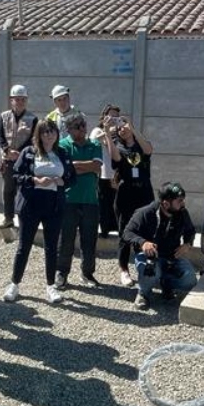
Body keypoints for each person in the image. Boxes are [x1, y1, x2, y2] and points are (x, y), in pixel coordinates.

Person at [4, 119, 74, 304]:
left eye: (52, 131)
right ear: (39, 134)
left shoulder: (63, 153)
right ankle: (14, 284)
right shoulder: (29, 152)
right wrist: (35, 180)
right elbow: (16, 175)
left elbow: (71, 177)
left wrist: (62, 182)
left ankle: (51, 287)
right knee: (23, 246)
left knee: (52, 247)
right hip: (31, 205)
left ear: (57, 134)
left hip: (54, 206)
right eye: (45, 132)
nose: (49, 135)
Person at [122, 182, 200, 310]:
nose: (183, 203)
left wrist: (187, 244)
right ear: (165, 203)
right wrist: (143, 242)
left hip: (172, 256)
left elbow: (190, 231)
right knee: (151, 271)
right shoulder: (145, 213)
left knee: (190, 280)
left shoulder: (182, 213)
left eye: (183, 200)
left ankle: (166, 283)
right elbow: (127, 233)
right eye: (179, 201)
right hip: (150, 256)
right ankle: (143, 293)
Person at [55, 111, 111, 288]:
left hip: (90, 201)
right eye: (78, 126)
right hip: (68, 199)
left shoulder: (94, 143)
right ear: (69, 129)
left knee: (89, 240)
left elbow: (96, 166)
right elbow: (64, 170)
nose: (82, 129)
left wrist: (74, 165)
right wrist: (79, 166)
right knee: (66, 239)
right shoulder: (63, 145)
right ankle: (61, 273)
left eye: (84, 125)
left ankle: (87, 274)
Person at [111, 114, 155, 286]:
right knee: (125, 232)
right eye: (119, 128)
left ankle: (145, 265)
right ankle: (123, 269)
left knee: (146, 229)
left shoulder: (140, 145)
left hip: (144, 192)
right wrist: (108, 132)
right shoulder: (118, 147)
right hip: (126, 193)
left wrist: (133, 128)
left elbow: (149, 150)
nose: (122, 129)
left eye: (124, 125)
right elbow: (114, 158)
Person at [0, 84, 37, 229]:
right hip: (8, 159)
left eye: (22, 99)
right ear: (11, 100)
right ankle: (8, 218)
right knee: (8, 189)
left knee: (24, 189)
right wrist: (7, 151)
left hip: (24, 159)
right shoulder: (4, 116)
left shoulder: (33, 118)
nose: (19, 102)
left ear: (26, 100)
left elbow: (33, 138)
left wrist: (19, 152)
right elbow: (0, 135)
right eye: (16, 99)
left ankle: (24, 218)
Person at [93, 104, 122, 237]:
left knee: (116, 202)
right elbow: (95, 140)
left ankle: (116, 227)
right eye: (110, 115)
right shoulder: (98, 130)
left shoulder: (121, 133)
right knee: (103, 202)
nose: (113, 119)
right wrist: (107, 130)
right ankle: (104, 229)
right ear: (104, 116)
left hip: (116, 173)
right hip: (103, 173)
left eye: (116, 116)